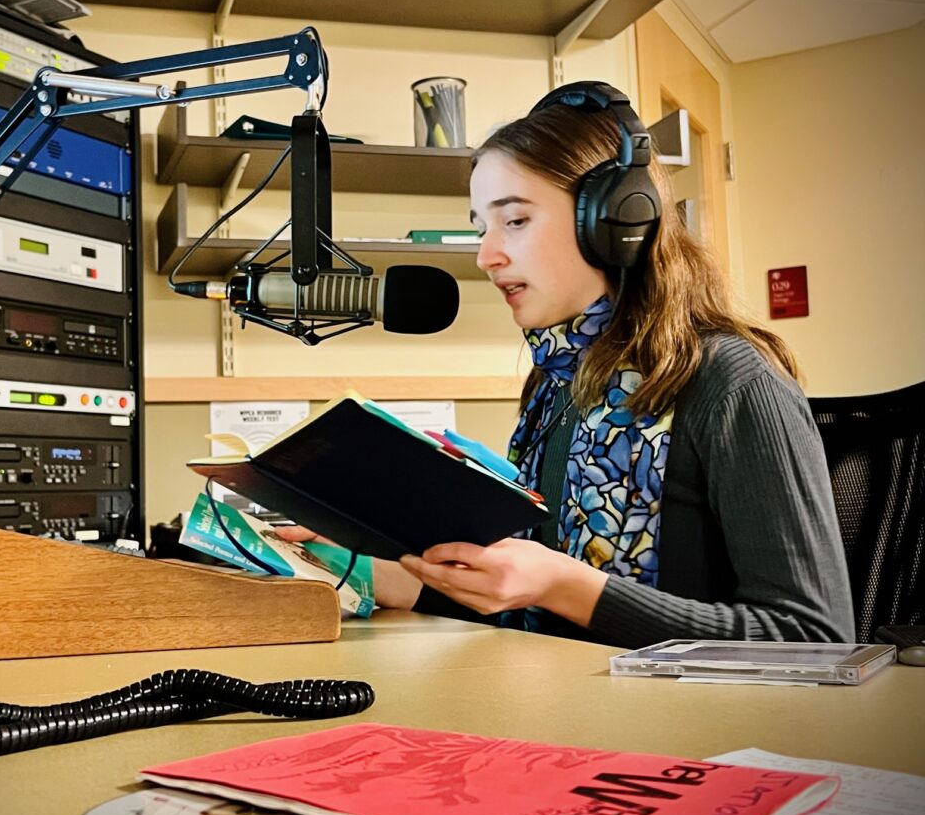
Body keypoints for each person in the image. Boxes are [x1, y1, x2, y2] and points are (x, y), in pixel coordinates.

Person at [280, 82, 855, 648]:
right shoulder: (557, 385)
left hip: (691, 731)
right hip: (565, 706)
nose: (486, 255)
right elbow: (524, 604)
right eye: (482, 226)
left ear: (612, 222)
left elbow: (813, 635)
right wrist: (356, 559)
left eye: (516, 220)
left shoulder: (733, 382)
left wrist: (565, 585)